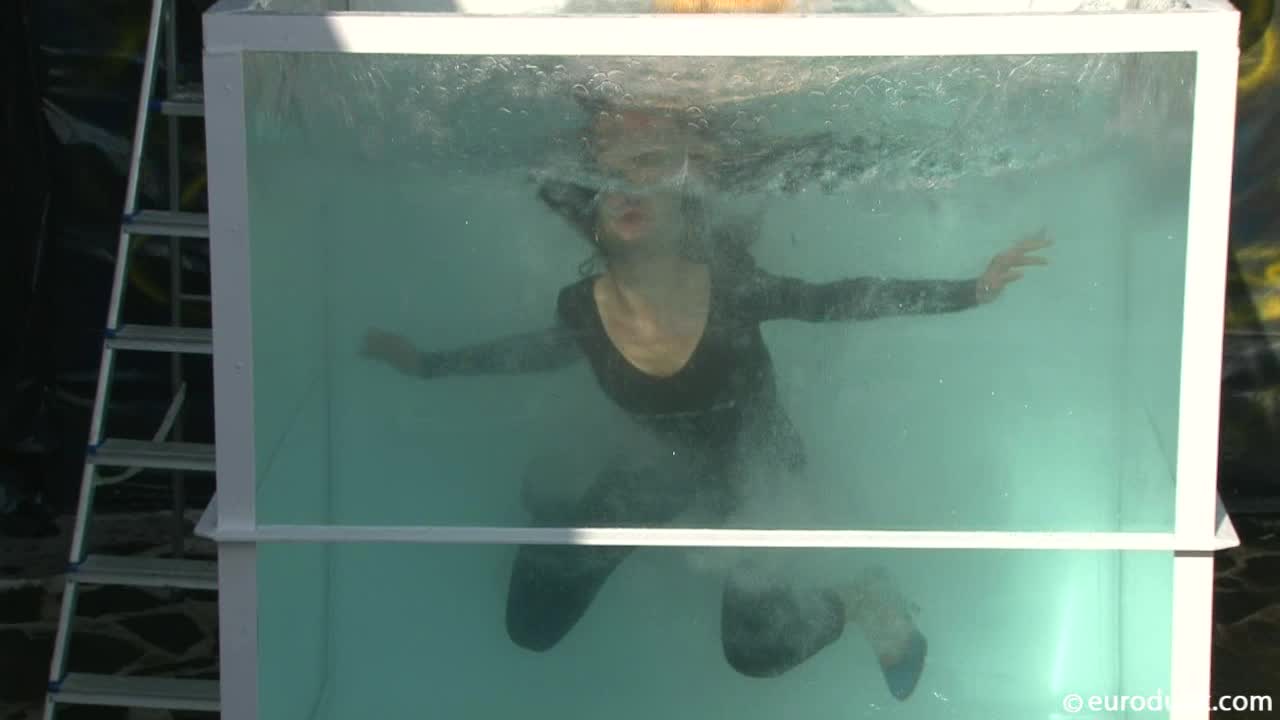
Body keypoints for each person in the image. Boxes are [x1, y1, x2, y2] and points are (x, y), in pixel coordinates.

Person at [362, 108, 1050, 700]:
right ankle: (554, 504)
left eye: (648, 175)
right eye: (610, 181)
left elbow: (838, 299)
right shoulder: (580, 308)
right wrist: (427, 365)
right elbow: (535, 353)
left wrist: (972, 290)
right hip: (660, 468)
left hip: (757, 475)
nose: (627, 191)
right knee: (531, 624)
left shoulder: (731, 287)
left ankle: (858, 596)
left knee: (754, 652)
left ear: (684, 204)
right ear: (593, 216)